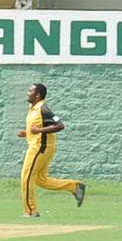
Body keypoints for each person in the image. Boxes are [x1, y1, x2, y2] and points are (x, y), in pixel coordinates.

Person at [17, 83, 85, 218]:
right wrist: (28, 133)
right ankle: (74, 187)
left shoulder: (43, 108)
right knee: (40, 180)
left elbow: (60, 125)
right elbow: (39, 127)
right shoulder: (33, 109)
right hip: (41, 146)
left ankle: (30, 211)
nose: (27, 92)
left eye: (30, 91)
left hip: (40, 148)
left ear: (37, 95)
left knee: (27, 177)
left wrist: (38, 131)